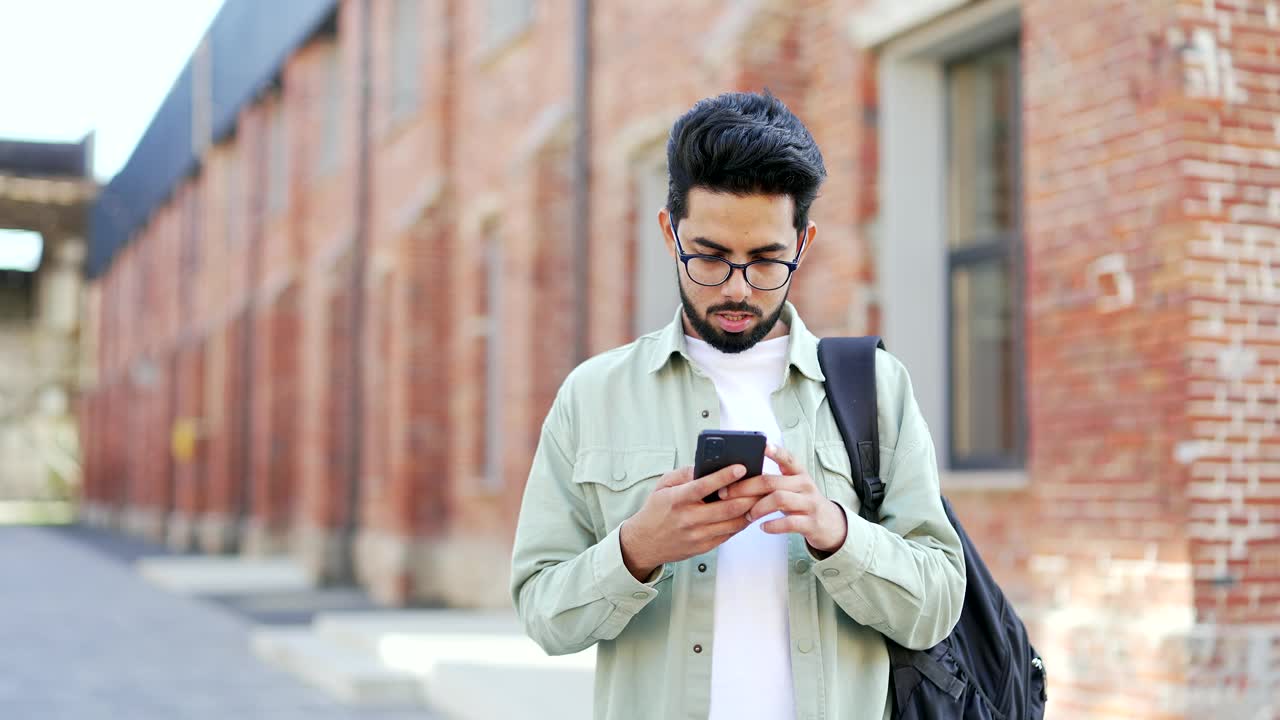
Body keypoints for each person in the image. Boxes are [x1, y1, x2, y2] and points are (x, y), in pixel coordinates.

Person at [510, 90, 965, 720]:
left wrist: (838, 533)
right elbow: (542, 615)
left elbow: (940, 603)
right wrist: (636, 549)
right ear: (670, 231)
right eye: (711, 257)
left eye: (766, 261)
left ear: (802, 243)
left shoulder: (876, 387)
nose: (736, 287)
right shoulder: (594, 394)